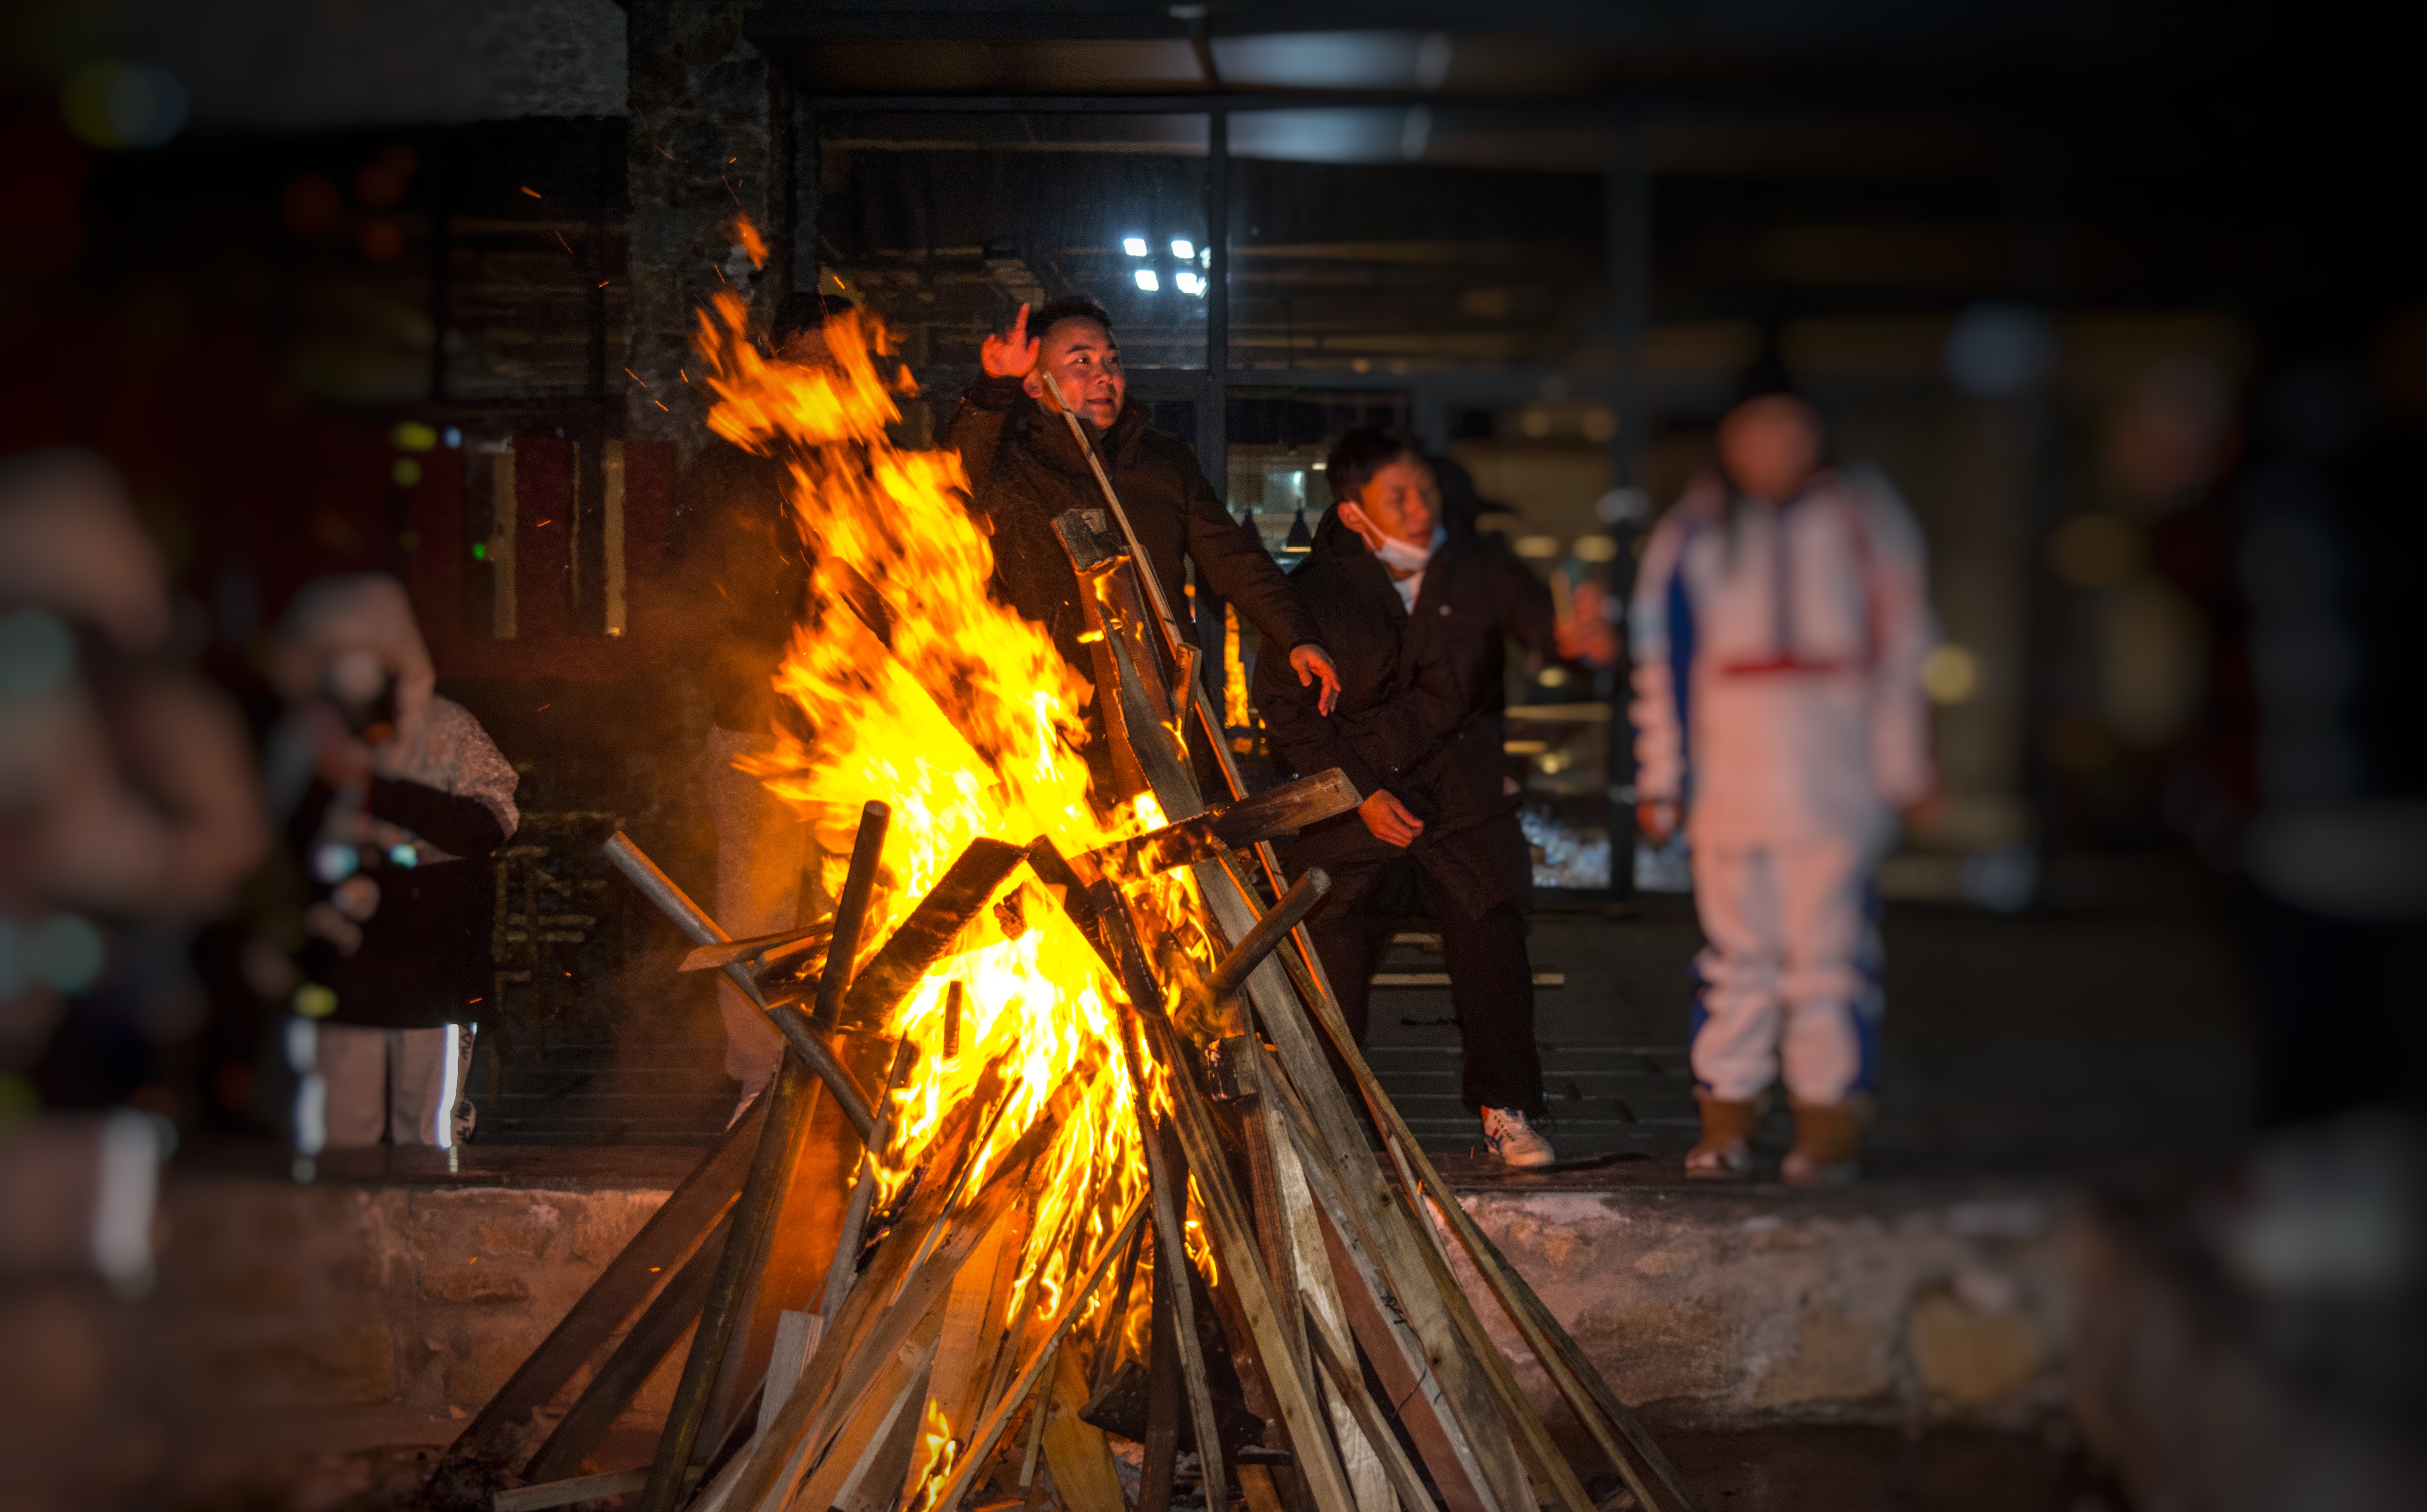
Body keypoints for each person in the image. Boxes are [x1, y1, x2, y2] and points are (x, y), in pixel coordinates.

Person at [1252, 428, 1609, 1168]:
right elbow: (1287, 717)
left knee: (1492, 943)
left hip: (1461, 800)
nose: (1418, 509)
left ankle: (1505, 1110)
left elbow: (1543, 650)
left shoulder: (1474, 576)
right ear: (1353, 514)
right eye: (1397, 497)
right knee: (1330, 953)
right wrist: (1361, 798)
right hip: (1354, 809)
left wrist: (1575, 647)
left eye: (1424, 491)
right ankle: (1329, 1120)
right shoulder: (1308, 595)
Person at [1628, 371, 1936, 1185]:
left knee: (1829, 955)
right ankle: (1726, 1116)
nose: (1772, 451)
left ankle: (1826, 1120)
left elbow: (1903, 644)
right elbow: (1660, 659)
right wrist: (1662, 777)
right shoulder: (1694, 526)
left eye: (1788, 432)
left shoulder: (1864, 514)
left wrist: (1905, 766)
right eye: (1755, 433)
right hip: (1730, 777)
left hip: (1835, 777)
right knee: (1737, 954)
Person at [951, 299, 1341, 752]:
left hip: (1167, 716)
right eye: (1082, 361)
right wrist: (993, 387)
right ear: (1036, 382)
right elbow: (947, 487)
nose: (1105, 375)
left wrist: (1298, 636)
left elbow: (1235, 560)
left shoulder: (1164, 464)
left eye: (1112, 361)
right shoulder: (1011, 464)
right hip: (1051, 721)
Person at [665, 292, 849, 1117]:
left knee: (869, 905)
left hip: (864, 728)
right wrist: (739, 677)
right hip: (755, 721)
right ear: (780, 368)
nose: (828, 378)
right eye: (812, 361)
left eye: (842, 363)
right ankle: (758, 1077)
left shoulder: (882, 468)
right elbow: (688, 586)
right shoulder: (731, 465)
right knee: (755, 909)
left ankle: (855, 1072)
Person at [267, 574, 518, 1150]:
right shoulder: (304, 739)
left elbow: (488, 826)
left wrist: (385, 793)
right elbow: (271, 841)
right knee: (340, 1132)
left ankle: (431, 1233)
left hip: (432, 973)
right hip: (343, 975)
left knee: (426, 1133)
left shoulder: (448, 730)